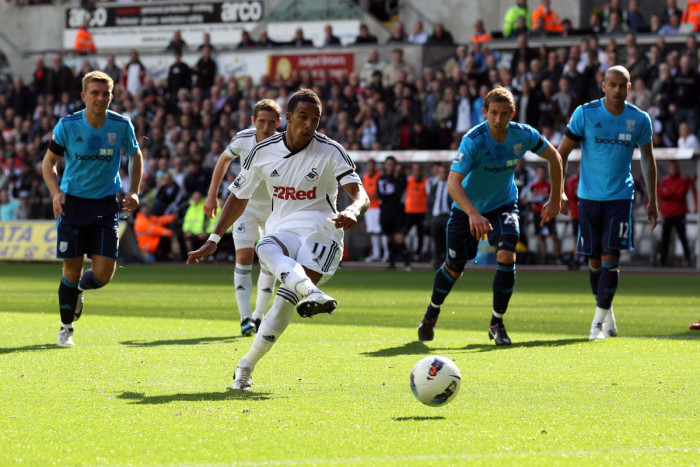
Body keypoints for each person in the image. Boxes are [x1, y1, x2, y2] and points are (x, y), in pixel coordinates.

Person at [187, 89, 369, 390]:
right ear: (288, 118)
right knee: (264, 247)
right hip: (283, 227)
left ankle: (248, 362)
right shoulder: (262, 151)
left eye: (315, 119)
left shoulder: (331, 150)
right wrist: (214, 238)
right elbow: (238, 196)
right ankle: (246, 365)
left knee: (284, 300)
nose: (309, 125)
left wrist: (352, 209)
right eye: (303, 117)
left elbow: (360, 193)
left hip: (323, 230)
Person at [418, 87, 562, 345]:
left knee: (507, 254)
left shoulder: (523, 134)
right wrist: (473, 212)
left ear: (512, 114)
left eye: (504, 114)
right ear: (484, 112)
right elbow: (452, 183)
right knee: (454, 268)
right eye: (493, 113)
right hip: (466, 209)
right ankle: (432, 312)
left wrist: (555, 197)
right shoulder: (474, 139)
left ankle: (497, 322)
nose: (498, 119)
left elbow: (555, 157)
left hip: (503, 205)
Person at [41, 70, 143, 346]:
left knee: (102, 275)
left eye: (105, 93)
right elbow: (48, 163)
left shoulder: (121, 125)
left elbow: (136, 155)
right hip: (72, 205)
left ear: (112, 96)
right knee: (70, 272)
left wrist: (133, 190)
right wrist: (55, 192)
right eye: (95, 93)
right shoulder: (67, 125)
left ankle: (81, 291)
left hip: (105, 206)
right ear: (84, 96)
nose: (100, 98)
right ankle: (66, 329)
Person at [557, 65, 658, 341]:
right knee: (593, 260)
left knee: (611, 257)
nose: (616, 89)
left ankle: (596, 325)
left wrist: (652, 199)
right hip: (588, 198)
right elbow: (560, 154)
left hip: (620, 197)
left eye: (621, 85)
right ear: (603, 86)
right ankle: (607, 314)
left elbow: (648, 159)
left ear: (629, 87)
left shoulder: (639, 119)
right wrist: (560, 192)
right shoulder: (585, 114)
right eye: (611, 84)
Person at [203, 99, 282, 336]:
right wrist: (212, 194)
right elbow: (223, 159)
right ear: (253, 121)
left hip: (273, 210)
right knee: (244, 257)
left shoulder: (284, 143)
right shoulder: (243, 139)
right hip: (244, 207)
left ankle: (259, 316)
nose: (266, 126)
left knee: (269, 261)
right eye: (261, 121)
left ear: (278, 123)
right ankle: (245, 318)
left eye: (271, 122)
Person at [657, 160, 697, 267]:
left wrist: (668, 192)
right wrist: (672, 192)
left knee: (683, 237)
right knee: (665, 238)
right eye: (671, 168)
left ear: (678, 168)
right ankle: (662, 260)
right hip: (667, 213)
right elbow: (661, 193)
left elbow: (680, 194)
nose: (673, 170)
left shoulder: (683, 179)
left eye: (675, 168)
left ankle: (689, 259)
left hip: (679, 212)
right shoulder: (665, 179)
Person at [377, 156, 410, 270]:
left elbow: (399, 192)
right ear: (385, 165)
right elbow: (380, 195)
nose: (390, 166)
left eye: (392, 164)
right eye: (388, 164)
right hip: (386, 212)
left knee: (400, 237)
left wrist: (395, 179)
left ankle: (406, 263)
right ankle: (391, 263)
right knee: (389, 237)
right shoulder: (381, 178)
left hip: (398, 211)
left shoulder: (401, 178)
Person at [529, 165, 561, 264]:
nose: (541, 174)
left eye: (543, 172)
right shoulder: (533, 185)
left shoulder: (549, 185)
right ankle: (543, 256)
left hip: (548, 212)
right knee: (540, 235)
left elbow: (552, 197)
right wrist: (542, 196)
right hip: (537, 213)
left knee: (553, 234)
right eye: (539, 172)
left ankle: (557, 256)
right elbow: (530, 198)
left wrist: (540, 197)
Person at [361, 158, 384, 262]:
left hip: (378, 207)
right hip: (369, 207)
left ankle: (386, 253)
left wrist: (375, 194)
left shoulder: (379, 175)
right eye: (369, 165)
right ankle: (377, 253)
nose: (370, 167)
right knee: (372, 231)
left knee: (381, 231)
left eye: (372, 165)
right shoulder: (365, 177)